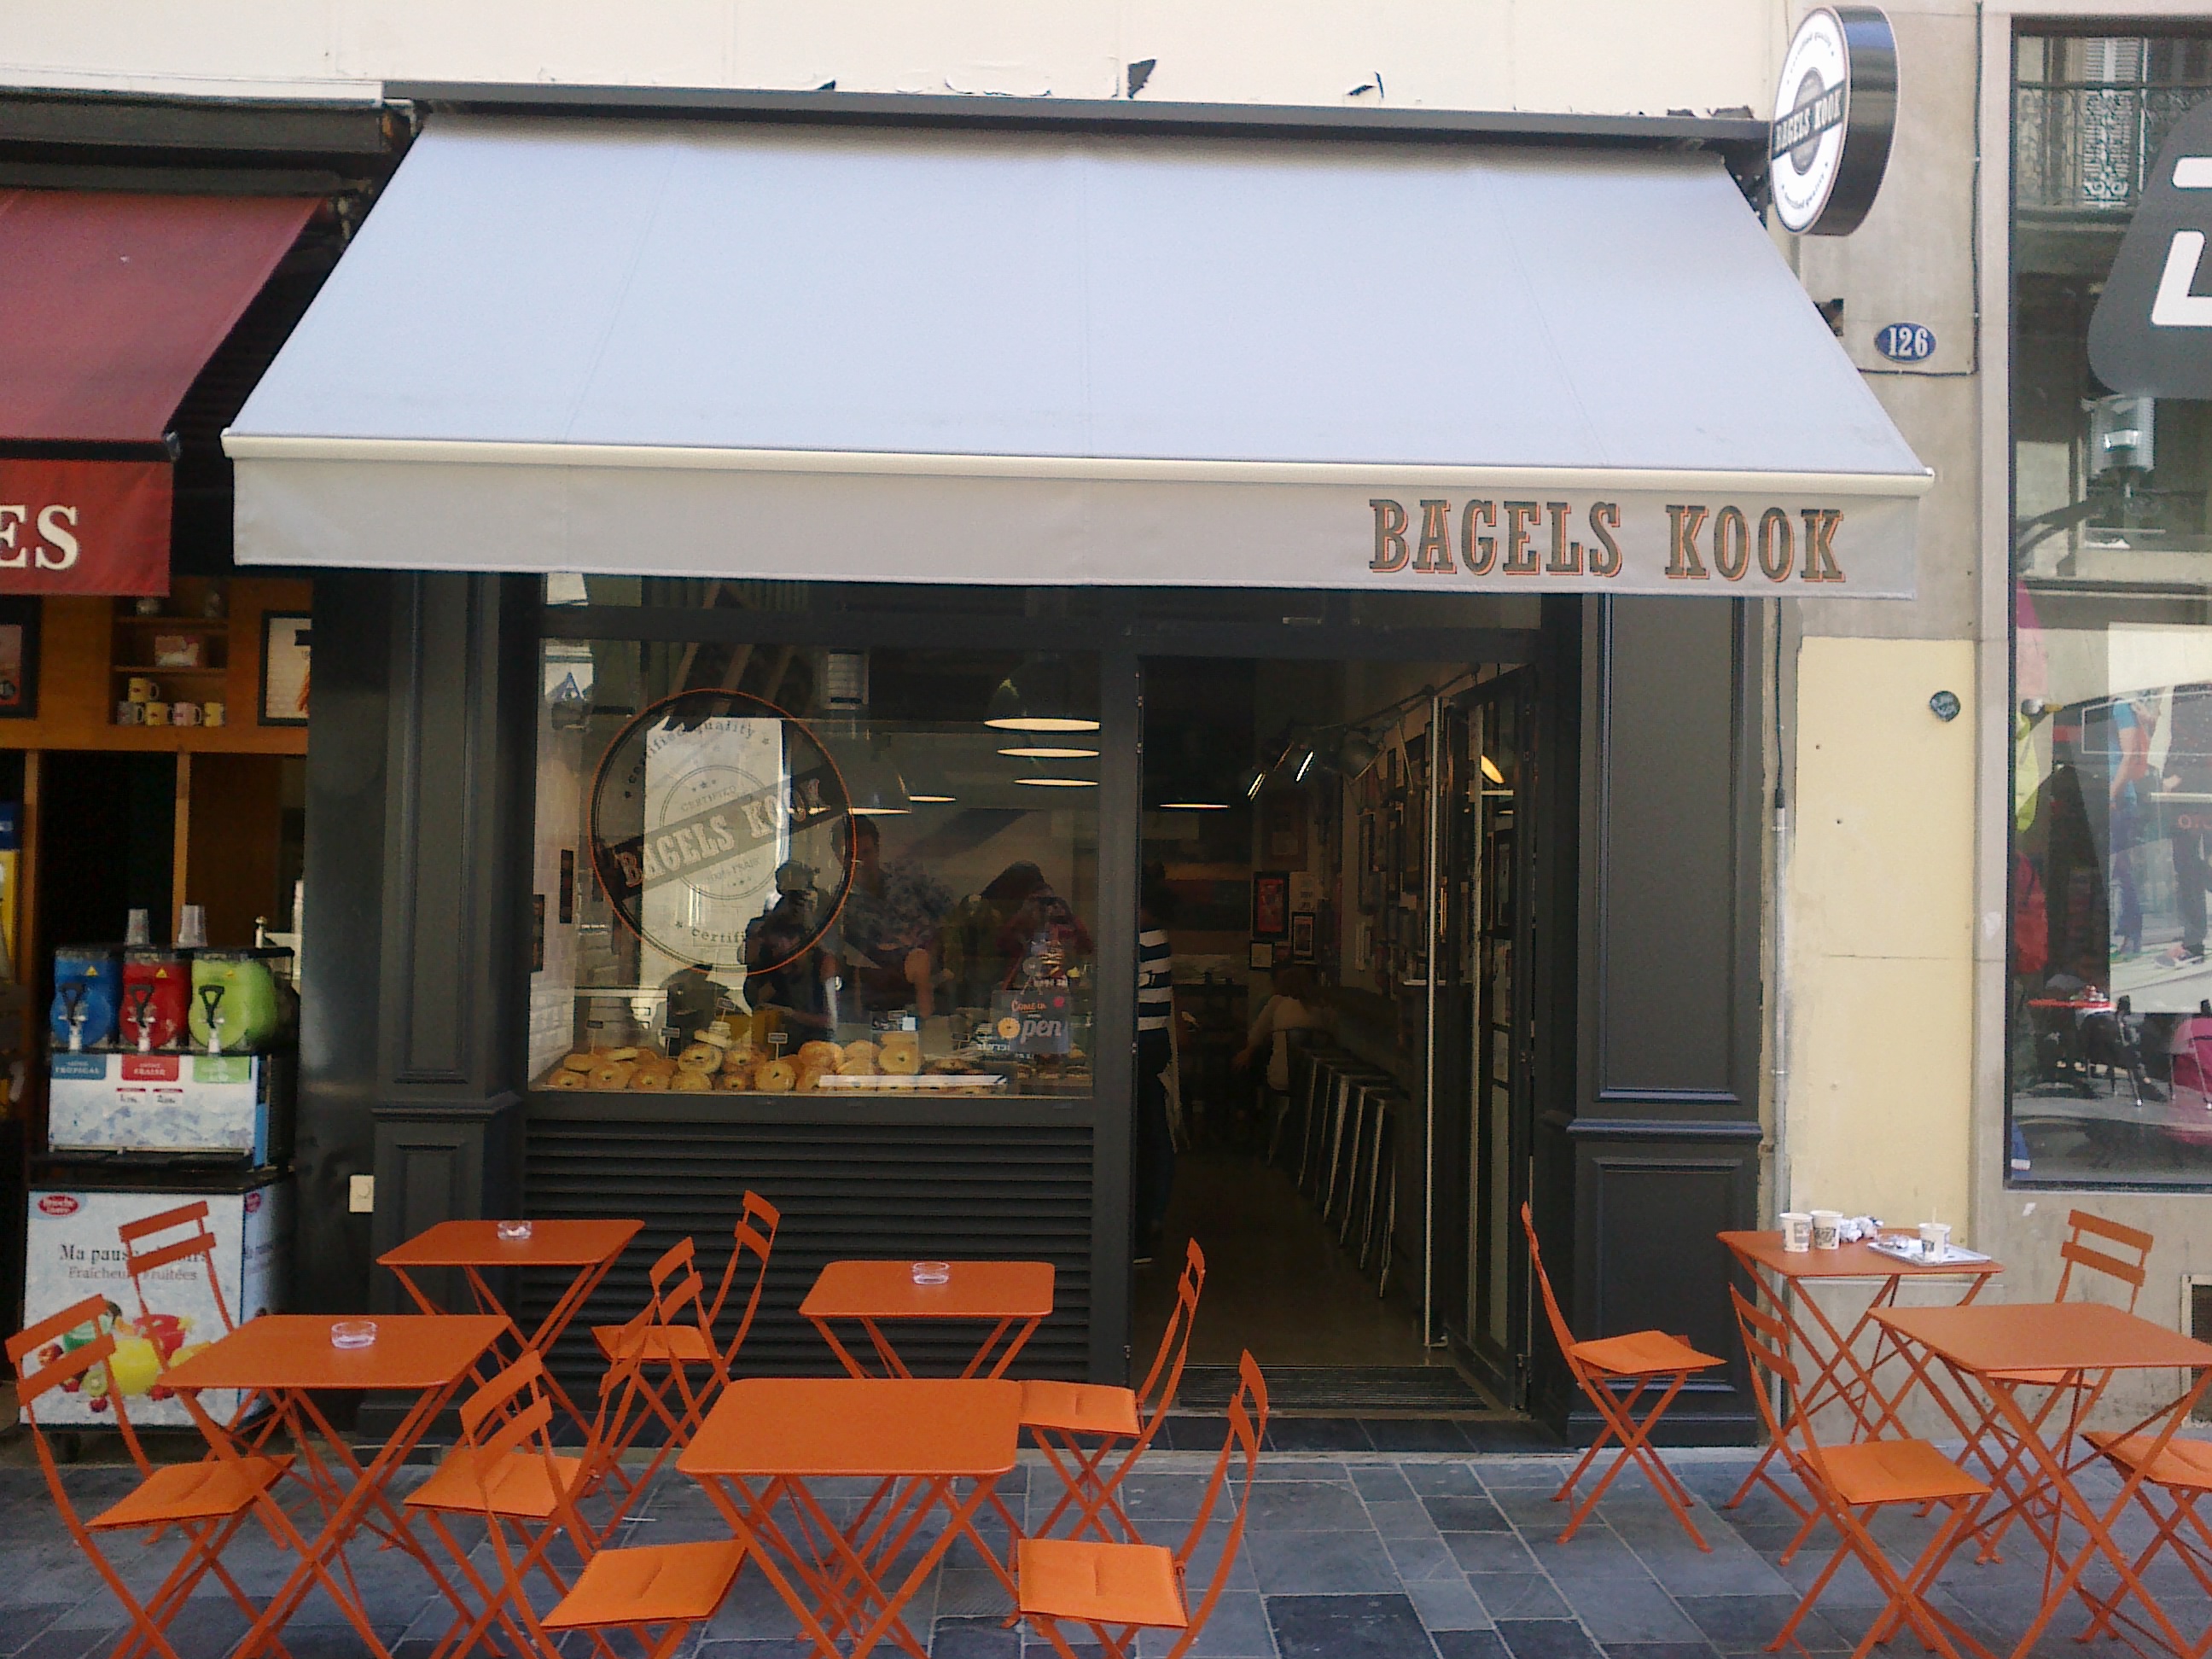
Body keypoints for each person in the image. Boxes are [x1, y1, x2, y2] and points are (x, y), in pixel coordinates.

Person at [1133, 876, 1178, 1266]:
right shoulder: (1157, 937)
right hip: (1153, 1042)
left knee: (1143, 1137)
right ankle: (1153, 1217)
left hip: (1140, 1045)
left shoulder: (1142, 940)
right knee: (1152, 1132)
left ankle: (1142, 1229)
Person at [1235, 963, 1325, 1092]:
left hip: (1280, 1080)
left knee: (1252, 1064)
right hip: (1312, 1081)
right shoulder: (1321, 1007)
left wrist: (1249, 1050)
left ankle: (1250, 1103)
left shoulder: (1276, 1002)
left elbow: (1256, 1035)